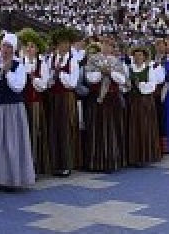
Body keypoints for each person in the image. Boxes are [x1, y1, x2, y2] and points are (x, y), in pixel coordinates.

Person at [0, 32, 36, 191]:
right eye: (4, 46)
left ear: (14, 49)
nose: (6, 50)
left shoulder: (19, 66)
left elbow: (18, 86)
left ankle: (12, 179)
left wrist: (8, 72)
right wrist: (1, 72)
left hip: (12, 110)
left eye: (9, 47)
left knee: (12, 144)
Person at [83, 38, 128, 173]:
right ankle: (96, 162)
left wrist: (110, 73)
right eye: (105, 45)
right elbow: (89, 78)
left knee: (113, 129)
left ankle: (112, 160)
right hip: (97, 99)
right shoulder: (93, 59)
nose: (107, 47)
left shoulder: (117, 61)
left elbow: (123, 79)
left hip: (112, 99)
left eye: (110, 45)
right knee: (96, 129)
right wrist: (101, 72)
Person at [45, 29, 82, 176]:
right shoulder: (50, 59)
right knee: (53, 128)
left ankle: (67, 164)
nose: (63, 46)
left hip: (66, 98)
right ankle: (54, 163)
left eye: (66, 43)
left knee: (65, 129)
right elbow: (47, 80)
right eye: (61, 43)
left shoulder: (73, 60)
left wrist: (60, 73)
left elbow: (72, 83)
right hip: (52, 97)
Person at [17, 30, 52, 178]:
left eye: (32, 47)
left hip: (36, 103)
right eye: (27, 46)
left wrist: (33, 79)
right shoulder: (19, 63)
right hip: (22, 103)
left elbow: (44, 85)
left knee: (35, 132)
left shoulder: (41, 64)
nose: (29, 49)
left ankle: (36, 166)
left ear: (37, 49)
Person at [125, 46, 163, 167]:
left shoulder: (149, 69)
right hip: (132, 101)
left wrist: (140, 85)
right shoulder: (129, 69)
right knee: (133, 127)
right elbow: (124, 85)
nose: (138, 58)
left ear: (144, 57)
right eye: (136, 56)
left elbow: (153, 85)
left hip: (145, 101)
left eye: (140, 56)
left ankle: (145, 155)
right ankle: (133, 156)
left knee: (145, 127)